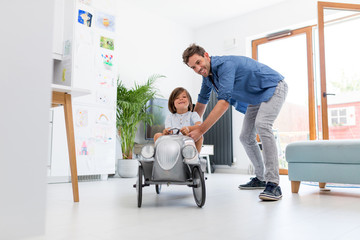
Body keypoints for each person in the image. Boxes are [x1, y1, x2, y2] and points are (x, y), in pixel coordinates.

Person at [182, 44, 288, 201]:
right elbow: (201, 103)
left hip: (273, 86)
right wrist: (188, 125)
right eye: (193, 67)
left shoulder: (226, 66)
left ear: (206, 55)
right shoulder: (207, 77)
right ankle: (261, 178)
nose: (198, 68)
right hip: (255, 98)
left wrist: (200, 131)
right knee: (245, 137)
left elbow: (224, 102)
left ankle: (273, 184)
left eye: (198, 62)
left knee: (263, 125)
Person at [154, 87, 203, 153]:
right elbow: (168, 129)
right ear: (173, 103)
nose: (181, 99)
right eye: (177, 98)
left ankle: (194, 158)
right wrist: (166, 132)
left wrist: (188, 129)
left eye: (184, 97)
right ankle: (162, 158)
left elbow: (199, 126)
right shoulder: (170, 117)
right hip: (173, 142)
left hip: (188, 140)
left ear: (189, 101)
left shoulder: (193, 115)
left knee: (200, 136)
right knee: (157, 135)